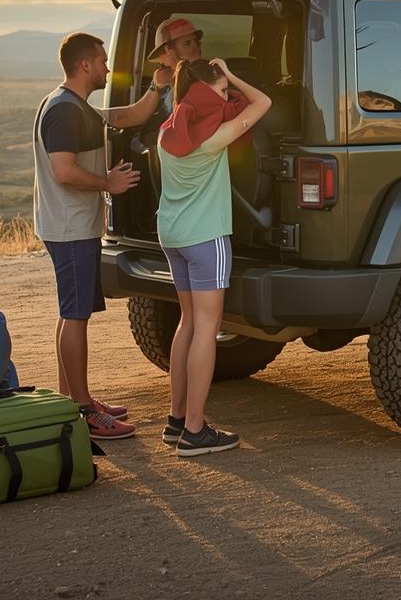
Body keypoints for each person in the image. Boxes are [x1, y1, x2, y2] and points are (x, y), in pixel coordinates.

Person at [34, 32, 170, 440]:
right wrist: (107, 183)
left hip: (72, 226)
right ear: (85, 65)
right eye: (104, 60)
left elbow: (126, 117)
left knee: (70, 313)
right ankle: (82, 410)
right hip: (70, 228)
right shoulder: (64, 111)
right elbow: (64, 171)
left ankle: (73, 401)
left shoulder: (76, 107)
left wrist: (156, 87)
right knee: (76, 317)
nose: (109, 67)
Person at [157, 56, 271, 456]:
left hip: (172, 235)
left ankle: (175, 421)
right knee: (208, 327)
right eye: (220, 93)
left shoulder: (167, 131)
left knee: (188, 322)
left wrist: (219, 83)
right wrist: (235, 76)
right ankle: (195, 430)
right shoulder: (213, 138)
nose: (226, 99)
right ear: (205, 93)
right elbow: (263, 104)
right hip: (206, 237)